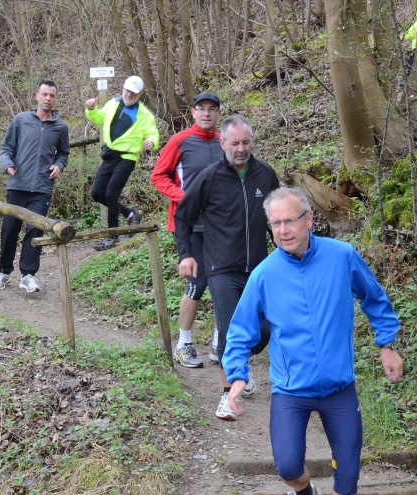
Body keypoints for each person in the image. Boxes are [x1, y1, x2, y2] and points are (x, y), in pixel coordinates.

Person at [223, 186, 403, 495]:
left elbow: (375, 299)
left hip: (340, 387)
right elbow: (240, 332)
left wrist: (386, 345)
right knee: (288, 464)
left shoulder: (341, 257)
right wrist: (237, 375)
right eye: (276, 223)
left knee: (349, 471)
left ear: (309, 219)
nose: (283, 230)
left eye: (290, 220)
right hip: (291, 390)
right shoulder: (265, 274)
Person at [174, 114, 279, 418]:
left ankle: (241, 365)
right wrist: (186, 254)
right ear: (223, 143)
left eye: (246, 142)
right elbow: (183, 217)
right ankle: (227, 396)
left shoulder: (265, 175)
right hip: (221, 268)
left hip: (259, 268)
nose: (241, 148)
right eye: (235, 143)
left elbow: (277, 218)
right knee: (230, 330)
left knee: (264, 329)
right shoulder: (209, 177)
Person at [151, 92, 223, 368]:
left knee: (222, 281)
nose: (206, 113)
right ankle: (184, 343)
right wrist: (185, 198)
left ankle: (219, 341)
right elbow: (158, 177)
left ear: (218, 114)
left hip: (219, 226)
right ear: (192, 113)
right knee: (197, 281)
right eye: (201, 109)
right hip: (188, 225)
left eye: (212, 109)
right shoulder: (179, 141)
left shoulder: (223, 142)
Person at [0, 80, 70, 293]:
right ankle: (4, 271)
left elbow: (64, 153)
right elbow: (5, 148)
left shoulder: (61, 127)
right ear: (37, 96)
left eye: (52, 96)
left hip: (42, 188)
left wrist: (59, 165)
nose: (48, 99)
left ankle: (28, 275)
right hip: (17, 185)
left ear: (55, 98)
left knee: (35, 230)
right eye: (44, 94)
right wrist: (7, 166)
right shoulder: (21, 120)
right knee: (10, 230)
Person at [85, 75, 159, 251]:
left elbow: (154, 134)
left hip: (127, 157)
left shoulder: (144, 114)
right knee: (97, 193)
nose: (128, 94)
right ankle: (130, 213)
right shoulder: (113, 104)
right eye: (126, 90)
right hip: (110, 155)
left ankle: (113, 237)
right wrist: (91, 109)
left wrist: (152, 142)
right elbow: (98, 119)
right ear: (122, 88)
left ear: (139, 94)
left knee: (111, 194)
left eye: (133, 92)